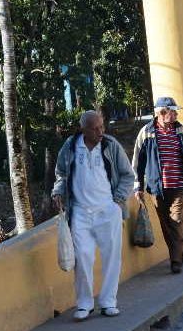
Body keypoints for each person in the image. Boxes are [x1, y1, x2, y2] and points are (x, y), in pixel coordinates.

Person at [52, 111, 135, 322]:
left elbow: (128, 175)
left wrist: (117, 200)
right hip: (79, 212)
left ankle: (108, 302)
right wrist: (58, 192)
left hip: (108, 210)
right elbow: (61, 173)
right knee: (83, 258)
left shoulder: (110, 145)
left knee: (111, 258)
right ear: (83, 129)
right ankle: (84, 305)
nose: (100, 132)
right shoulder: (71, 146)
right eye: (95, 128)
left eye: (102, 126)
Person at [132, 97, 183, 274]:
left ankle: (175, 260)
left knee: (176, 220)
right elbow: (138, 162)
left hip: (178, 185)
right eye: (173, 111)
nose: (176, 114)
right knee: (166, 224)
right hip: (157, 188)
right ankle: (181, 251)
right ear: (163, 113)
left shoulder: (180, 131)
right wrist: (138, 186)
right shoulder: (146, 132)